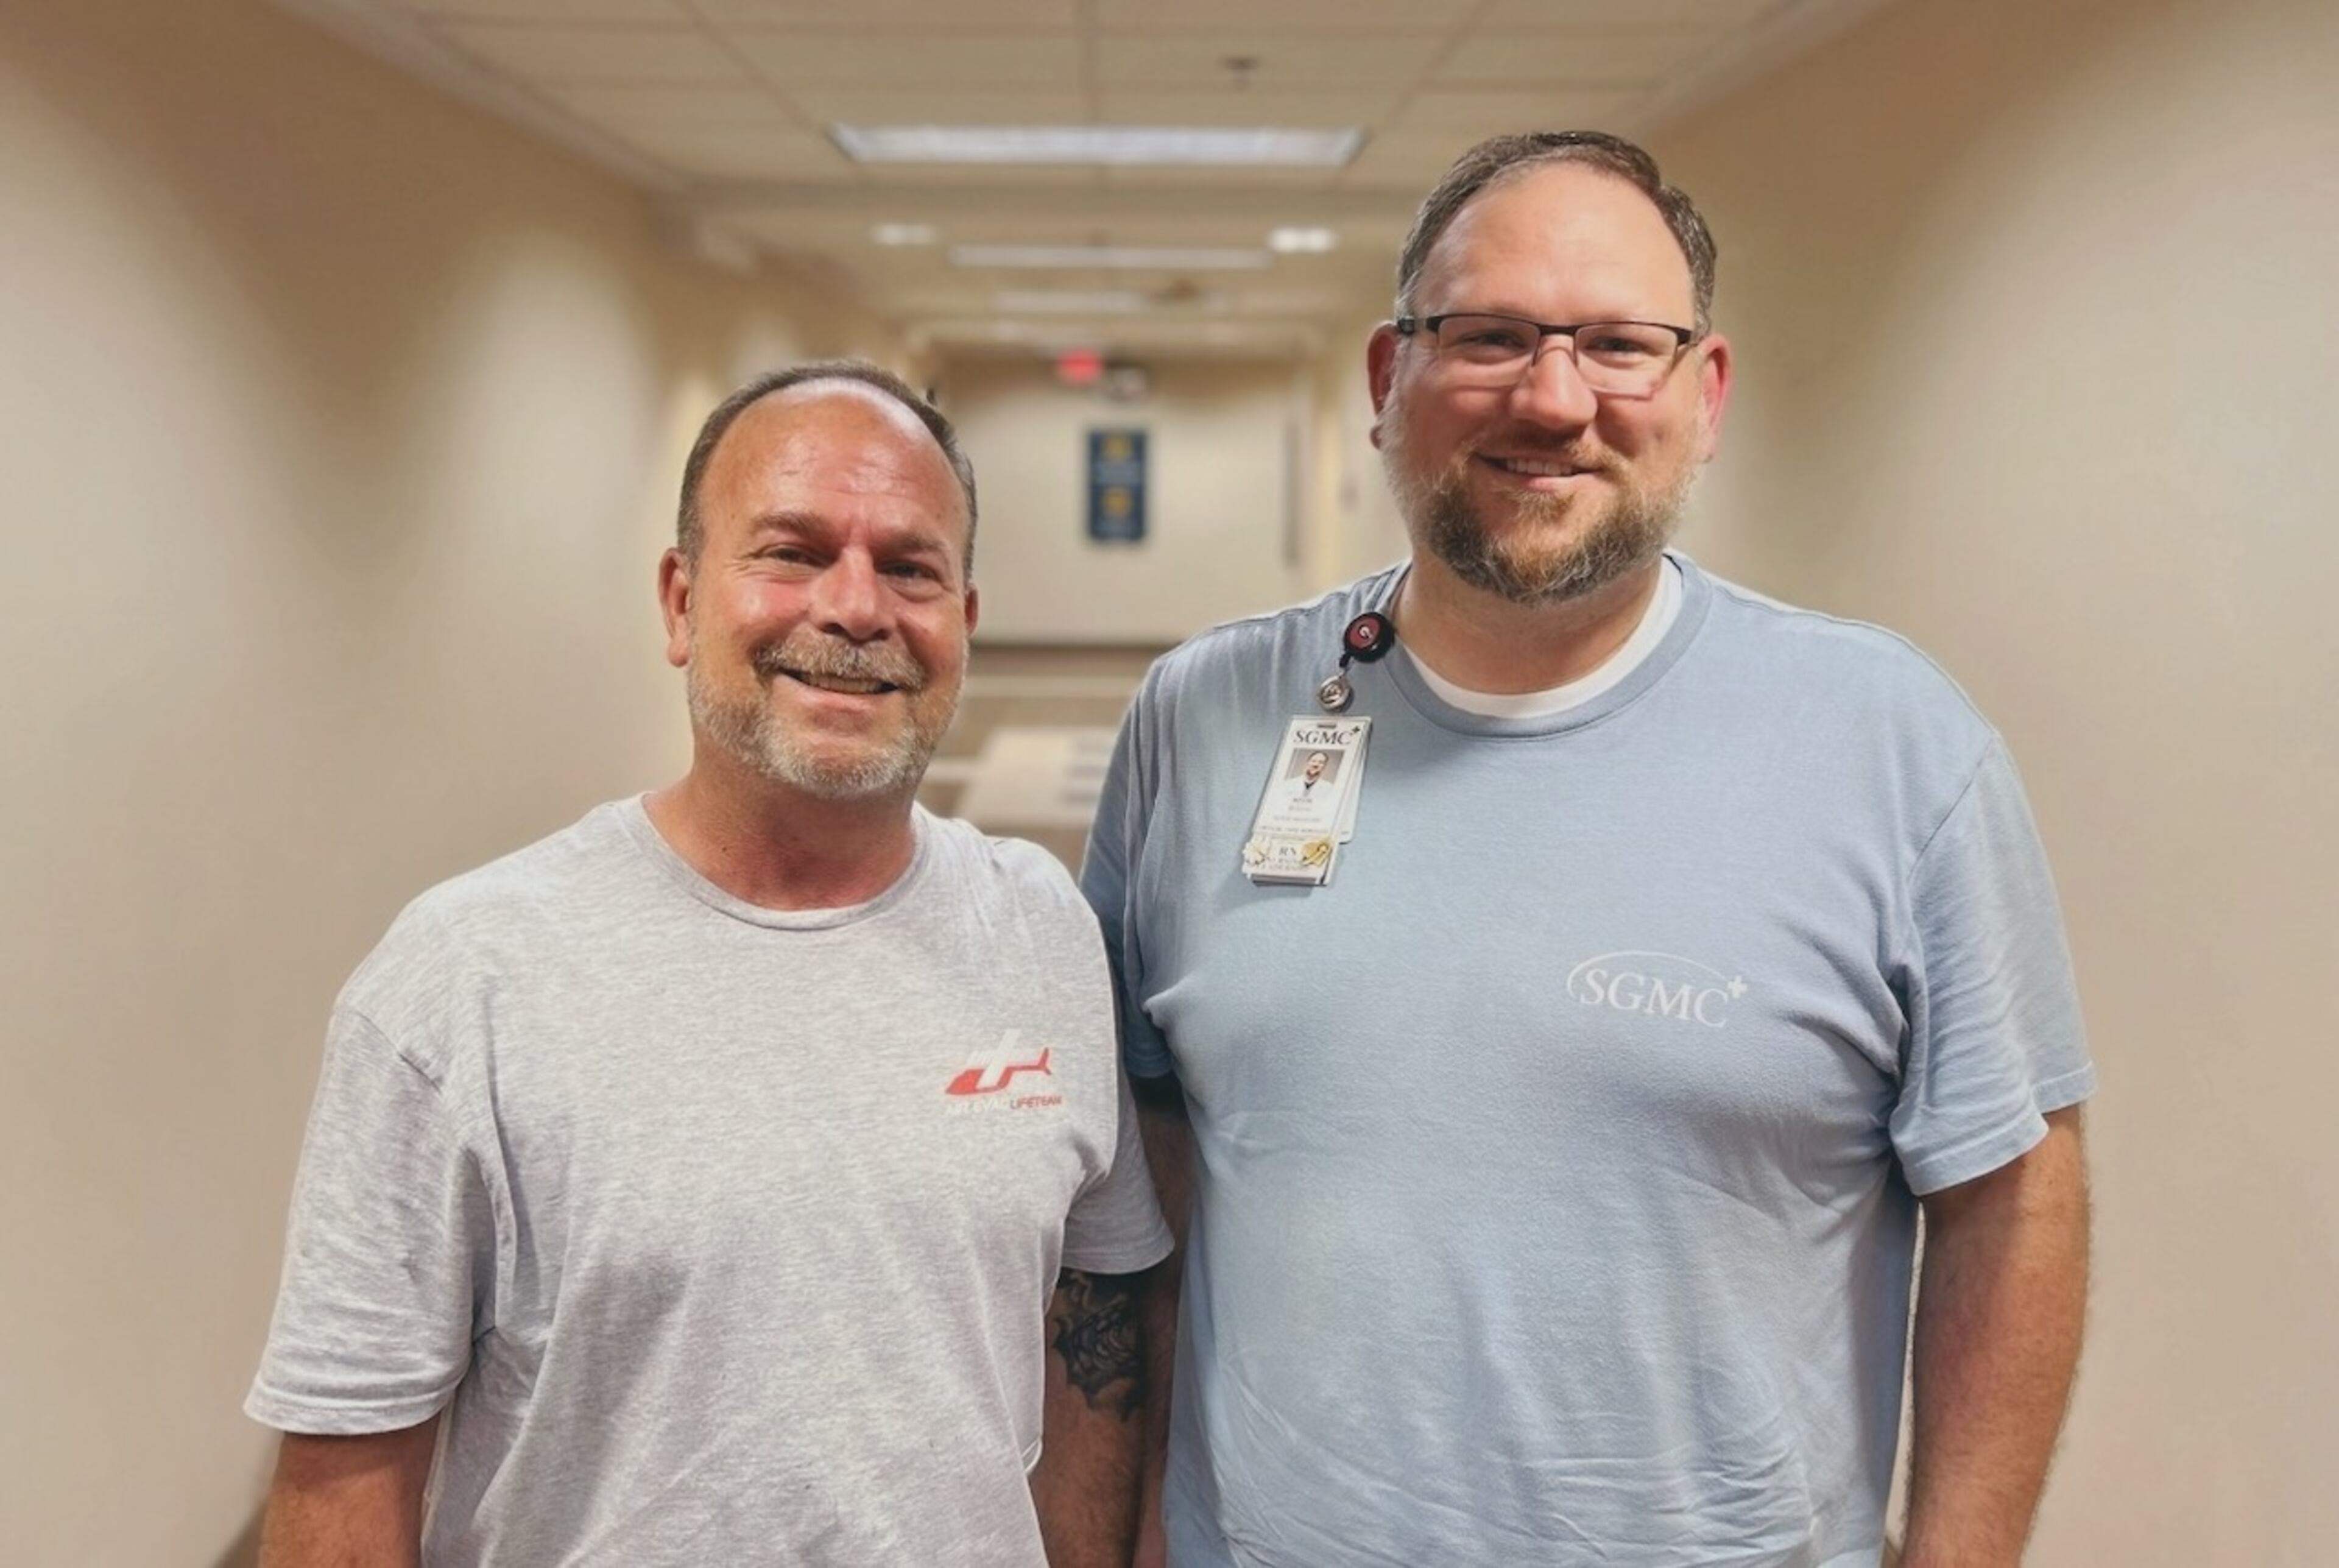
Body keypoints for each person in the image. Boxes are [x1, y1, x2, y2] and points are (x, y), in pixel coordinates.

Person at [1082, 132, 2092, 1568]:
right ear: (1388, 380)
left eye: (1621, 344)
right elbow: (1143, 1161)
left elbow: (2010, 1187)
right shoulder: (1204, 718)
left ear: (1707, 393)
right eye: (1490, 337)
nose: (1555, 400)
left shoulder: (1893, 745)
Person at [248, 361, 1173, 1566]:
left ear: (964, 623)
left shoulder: (1040, 928)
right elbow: (343, 1480)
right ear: (682, 602)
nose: (854, 610)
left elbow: (1094, 1323)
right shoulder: (465, 976)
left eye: (910, 566)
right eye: (791, 551)